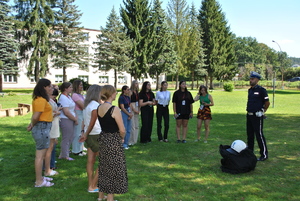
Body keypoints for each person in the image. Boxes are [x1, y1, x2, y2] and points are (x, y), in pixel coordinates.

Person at [97, 85, 128, 201]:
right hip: (113, 140)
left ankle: (100, 196)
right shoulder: (114, 109)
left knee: (104, 166)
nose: (116, 94)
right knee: (113, 168)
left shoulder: (99, 107)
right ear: (111, 94)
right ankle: (110, 198)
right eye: (115, 92)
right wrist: (122, 137)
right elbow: (122, 129)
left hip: (103, 139)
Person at [27, 78, 54, 187]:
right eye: (49, 86)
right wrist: (32, 124)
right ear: (44, 87)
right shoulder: (40, 100)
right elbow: (36, 116)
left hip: (44, 127)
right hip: (42, 128)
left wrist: (32, 124)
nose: (51, 88)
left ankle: (41, 178)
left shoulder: (42, 99)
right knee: (40, 155)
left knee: (42, 154)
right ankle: (38, 181)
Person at [79, 85, 102, 193]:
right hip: (96, 134)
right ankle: (92, 185)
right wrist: (85, 134)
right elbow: (93, 122)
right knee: (105, 160)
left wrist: (84, 133)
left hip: (90, 135)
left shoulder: (87, 105)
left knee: (90, 160)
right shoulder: (95, 105)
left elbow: (84, 121)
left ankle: (91, 184)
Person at [246, 71, 270, 161]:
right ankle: (250, 153)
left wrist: (263, 111)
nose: (250, 80)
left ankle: (264, 154)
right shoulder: (250, 90)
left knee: (259, 135)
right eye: (250, 79)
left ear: (257, 80)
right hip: (249, 115)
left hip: (257, 116)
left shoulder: (261, 90)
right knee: (250, 135)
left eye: (252, 79)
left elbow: (267, 102)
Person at [58, 82, 78, 161]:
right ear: (65, 89)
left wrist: (75, 117)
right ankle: (65, 155)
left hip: (71, 118)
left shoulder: (68, 97)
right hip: (65, 119)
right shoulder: (63, 98)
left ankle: (64, 153)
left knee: (71, 136)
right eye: (70, 87)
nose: (72, 89)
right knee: (66, 137)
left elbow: (72, 109)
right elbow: (66, 112)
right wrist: (74, 119)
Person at [44, 88, 61, 176]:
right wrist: (56, 113)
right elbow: (46, 114)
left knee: (51, 148)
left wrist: (55, 112)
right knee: (49, 148)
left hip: (54, 124)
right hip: (51, 124)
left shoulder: (49, 99)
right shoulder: (45, 100)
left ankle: (48, 167)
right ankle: (47, 169)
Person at [71, 80, 86, 156]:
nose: (81, 87)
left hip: (82, 113)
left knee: (82, 132)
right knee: (78, 132)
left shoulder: (81, 95)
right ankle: (76, 150)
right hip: (78, 113)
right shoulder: (75, 95)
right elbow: (82, 105)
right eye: (80, 85)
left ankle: (80, 149)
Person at [129, 80, 139, 146]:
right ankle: (131, 140)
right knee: (132, 125)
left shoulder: (137, 92)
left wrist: (138, 109)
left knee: (136, 125)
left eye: (137, 83)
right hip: (132, 107)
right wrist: (134, 109)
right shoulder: (130, 92)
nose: (137, 84)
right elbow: (129, 102)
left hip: (137, 106)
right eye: (136, 83)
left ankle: (135, 140)